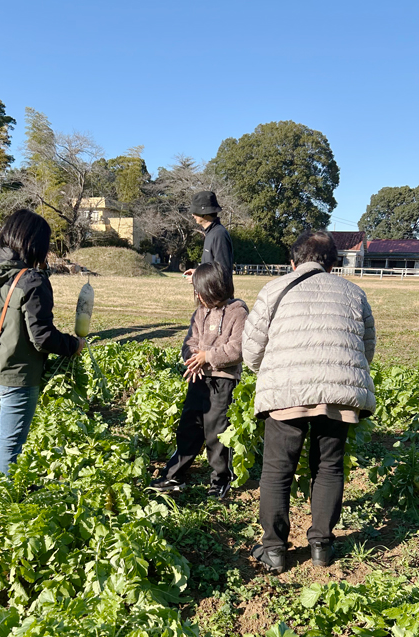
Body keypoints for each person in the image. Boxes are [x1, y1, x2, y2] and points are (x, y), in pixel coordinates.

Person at [242, 230, 376, 574]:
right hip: (339, 393)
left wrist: (269, 371)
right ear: (332, 264)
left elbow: (252, 350)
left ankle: (274, 549)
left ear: (293, 262)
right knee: (329, 467)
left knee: (277, 470)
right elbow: (366, 348)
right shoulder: (354, 293)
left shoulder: (274, 289)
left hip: (286, 391)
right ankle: (322, 547)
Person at [0, 209, 84, 476]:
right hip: (19, 375)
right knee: (11, 446)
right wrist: (73, 346)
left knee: (8, 439)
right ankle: (5, 495)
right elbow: (42, 337)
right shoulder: (31, 281)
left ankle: (5, 489)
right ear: (35, 244)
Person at [151, 262, 248, 499]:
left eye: (201, 291)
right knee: (189, 426)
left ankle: (221, 479)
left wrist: (208, 357)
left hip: (223, 381)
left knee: (217, 432)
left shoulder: (238, 312)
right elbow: (190, 342)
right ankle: (174, 474)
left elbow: (238, 349)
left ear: (214, 288)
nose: (198, 296)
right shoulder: (200, 313)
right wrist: (193, 358)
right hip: (198, 377)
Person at [183, 191, 234, 281]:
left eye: (196, 211)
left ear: (206, 213)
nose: (193, 215)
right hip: (207, 290)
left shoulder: (219, 234)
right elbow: (211, 267)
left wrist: (197, 278)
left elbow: (222, 272)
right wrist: (198, 272)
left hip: (217, 291)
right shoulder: (210, 233)